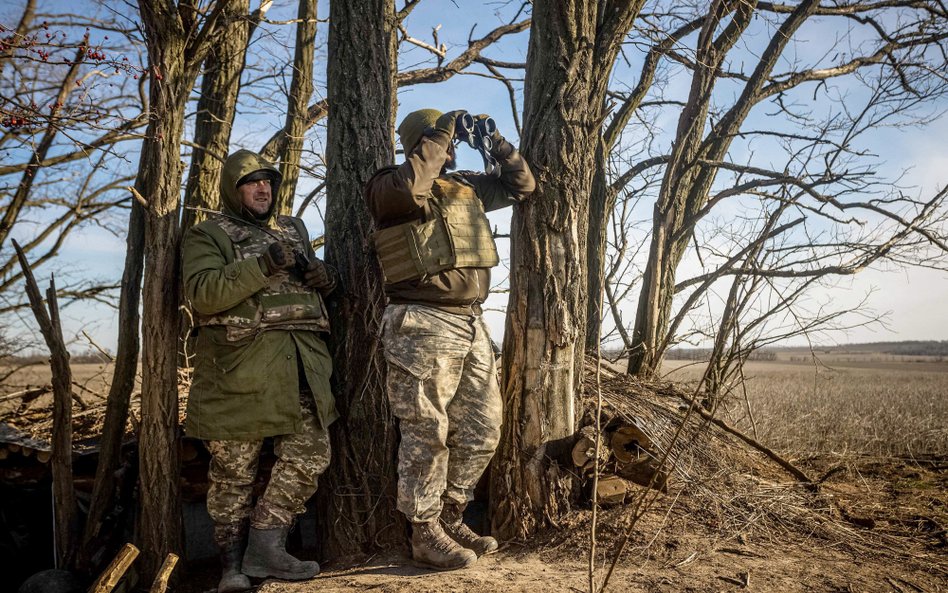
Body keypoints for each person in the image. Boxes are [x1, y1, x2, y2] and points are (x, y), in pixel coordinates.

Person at [365, 109, 536, 570]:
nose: (450, 144)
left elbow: (522, 186)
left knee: (484, 427)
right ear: (420, 144)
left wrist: (497, 142)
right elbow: (409, 186)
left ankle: (451, 515)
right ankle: (423, 532)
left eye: (451, 138)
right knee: (427, 431)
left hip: (470, 322)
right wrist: (441, 130)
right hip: (421, 320)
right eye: (439, 140)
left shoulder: (465, 187)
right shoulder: (391, 185)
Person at [182, 149, 338, 592]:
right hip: (239, 371)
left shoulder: (293, 228)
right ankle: (230, 568)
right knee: (233, 473)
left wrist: (323, 277)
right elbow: (204, 294)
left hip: (301, 364)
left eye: (267, 180)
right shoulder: (207, 234)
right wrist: (262, 264)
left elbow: (319, 288)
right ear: (233, 190)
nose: (262, 188)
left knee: (312, 454)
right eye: (251, 182)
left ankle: (265, 547)